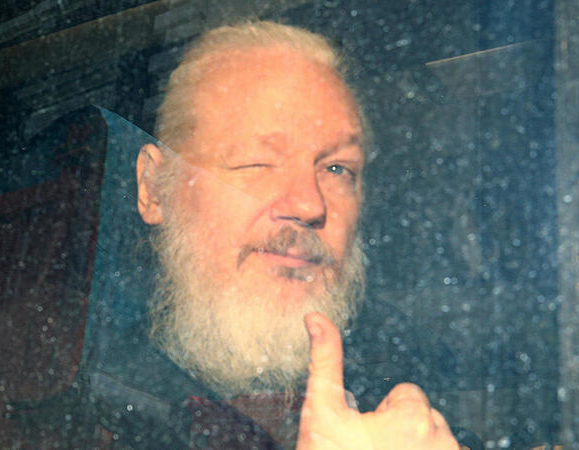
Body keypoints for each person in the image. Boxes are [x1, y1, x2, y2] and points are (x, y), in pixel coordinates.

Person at [37, 21, 462, 448]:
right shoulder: (79, 409)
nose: (309, 204)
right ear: (153, 188)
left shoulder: (403, 375)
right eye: (257, 163)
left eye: (337, 168)